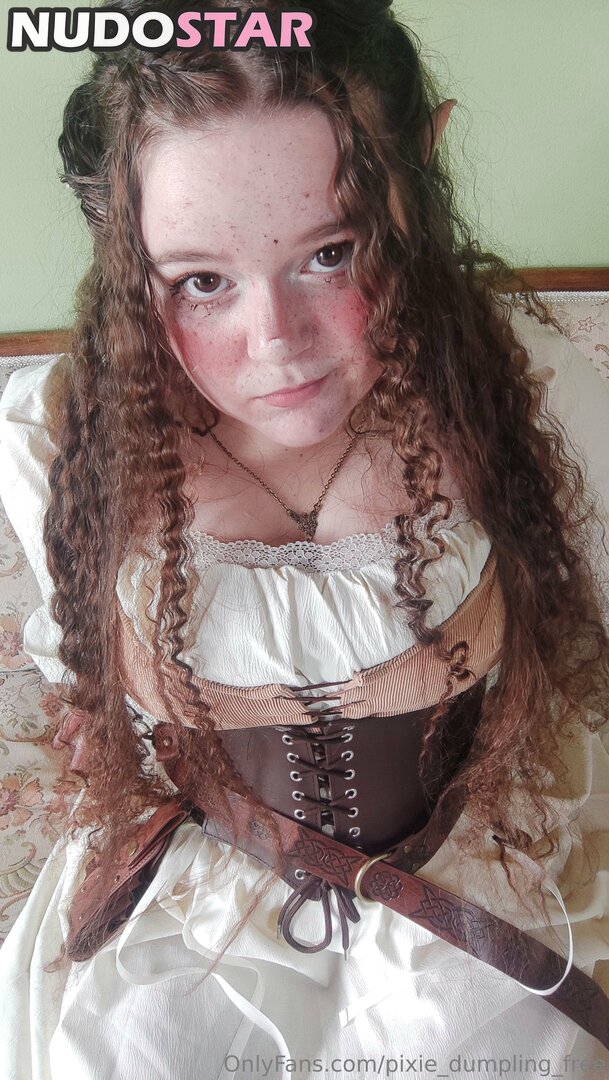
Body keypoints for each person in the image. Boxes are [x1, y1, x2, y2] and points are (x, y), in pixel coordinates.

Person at [0, 1, 608, 1077]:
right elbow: (81, 666)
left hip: (482, 884)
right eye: (200, 281)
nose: (275, 344)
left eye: (333, 253)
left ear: (421, 167)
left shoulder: (520, 389)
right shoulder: (62, 437)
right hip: (194, 908)